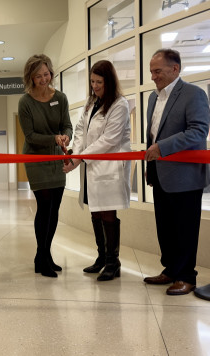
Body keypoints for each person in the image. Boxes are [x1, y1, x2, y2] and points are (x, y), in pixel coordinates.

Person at [144, 48, 210, 295]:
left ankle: (186, 276)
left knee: (185, 228)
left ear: (175, 69)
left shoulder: (194, 94)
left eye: (157, 71)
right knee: (165, 227)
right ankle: (170, 270)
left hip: (185, 177)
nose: (153, 76)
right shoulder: (153, 98)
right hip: (160, 174)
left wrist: (162, 147)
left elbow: (198, 131)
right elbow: (153, 133)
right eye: (151, 71)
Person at [63, 60, 131, 281]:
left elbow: (109, 140)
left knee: (108, 212)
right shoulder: (91, 103)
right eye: (92, 81)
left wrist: (80, 157)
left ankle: (113, 262)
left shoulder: (119, 104)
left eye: (99, 82)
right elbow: (81, 131)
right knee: (95, 210)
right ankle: (102, 257)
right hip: (92, 165)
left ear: (108, 81)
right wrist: (75, 155)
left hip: (109, 167)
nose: (95, 86)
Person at [18, 54, 72, 278]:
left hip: (56, 159)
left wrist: (66, 137)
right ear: (31, 76)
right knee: (45, 206)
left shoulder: (60, 97)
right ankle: (42, 255)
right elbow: (30, 136)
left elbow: (67, 125)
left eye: (46, 73)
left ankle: (44, 256)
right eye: (38, 75)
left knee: (55, 208)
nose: (43, 79)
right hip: (36, 159)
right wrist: (54, 139)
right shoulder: (25, 102)